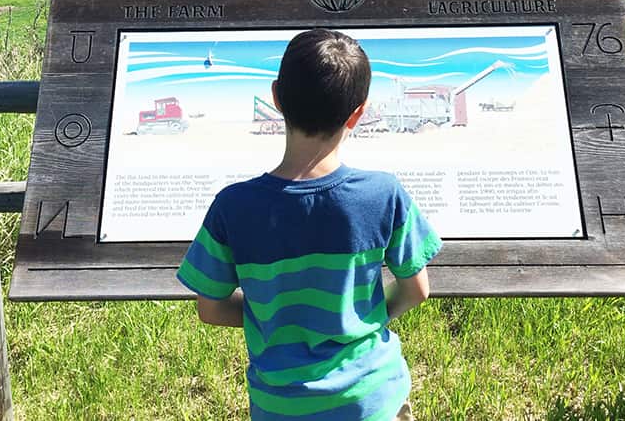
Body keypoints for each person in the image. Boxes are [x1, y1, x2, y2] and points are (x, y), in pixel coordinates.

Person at [177, 28, 442, 420]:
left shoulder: (233, 207)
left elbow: (211, 309)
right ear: (358, 112)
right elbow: (416, 290)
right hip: (371, 398)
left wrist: (270, 320)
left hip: (282, 406)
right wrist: (363, 318)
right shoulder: (383, 194)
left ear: (276, 98)